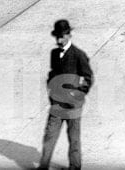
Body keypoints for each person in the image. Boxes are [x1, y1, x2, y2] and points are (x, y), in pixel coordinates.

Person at [37, 19, 93, 170]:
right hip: (57, 104)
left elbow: (88, 78)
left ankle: (75, 167)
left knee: (73, 139)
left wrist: (79, 95)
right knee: (49, 136)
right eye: (57, 37)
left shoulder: (79, 55)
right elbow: (52, 74)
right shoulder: (54, 53)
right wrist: (50, 92)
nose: (59, 40)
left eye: (61, 36)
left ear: (69, 35)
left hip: (73, 106)